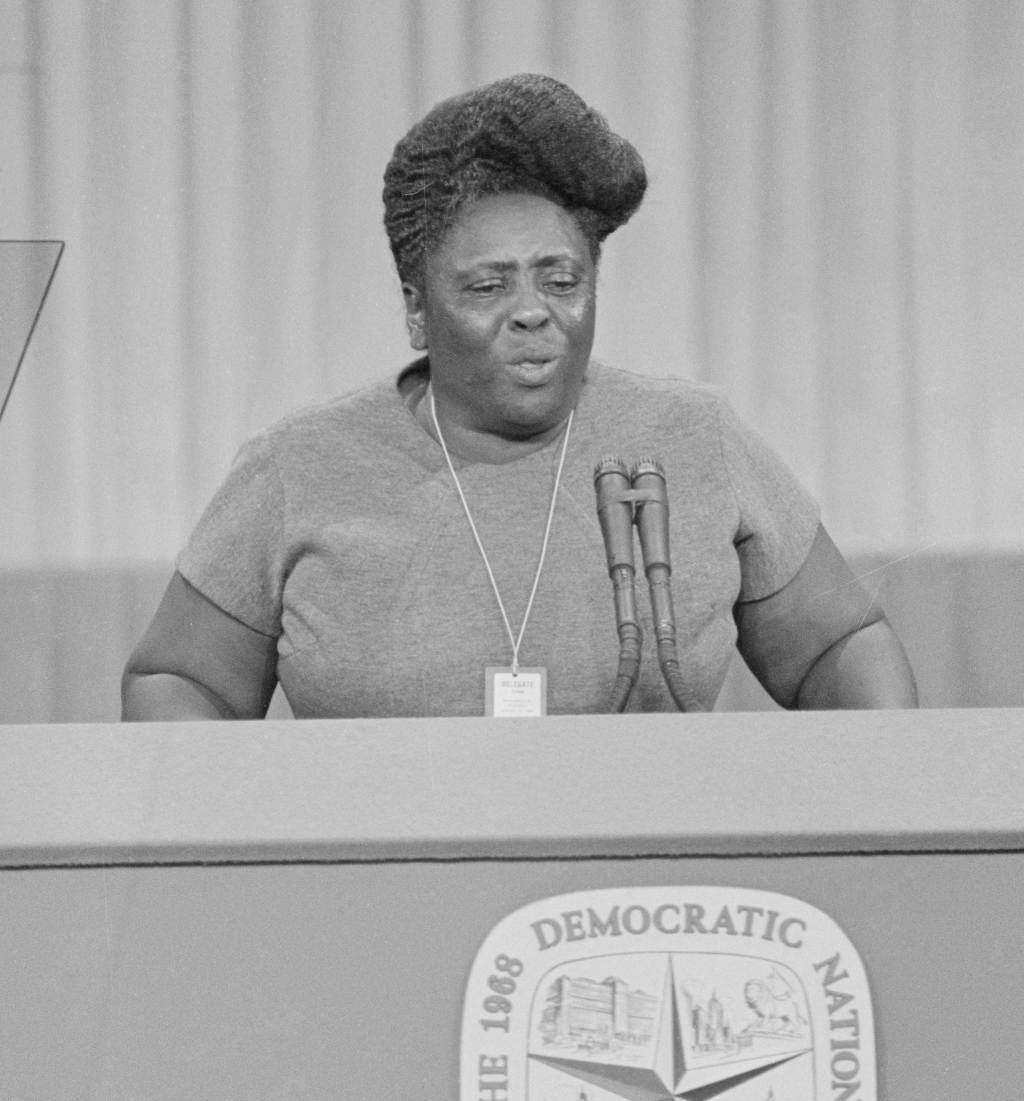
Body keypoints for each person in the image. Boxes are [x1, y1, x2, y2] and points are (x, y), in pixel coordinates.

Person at [121, 73, 917, 721]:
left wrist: (884, 795)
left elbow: (837, 646)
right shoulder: (300, 464)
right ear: (415, 312)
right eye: (488, 284)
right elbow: (180, 683)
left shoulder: (690, 435)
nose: (533, 310)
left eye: (562, 279)